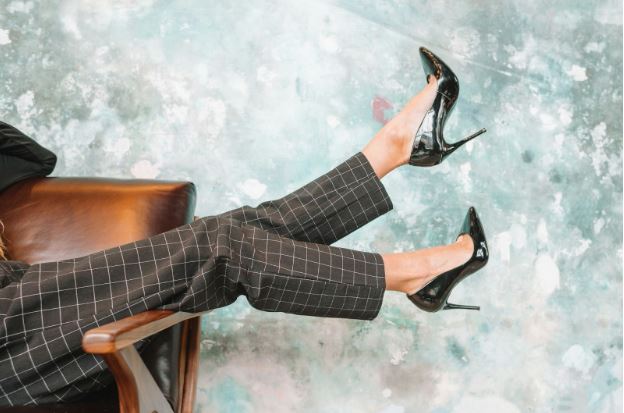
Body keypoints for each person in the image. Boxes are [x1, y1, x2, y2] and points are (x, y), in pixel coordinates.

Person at [0, 46, 489, 407]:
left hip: (15, 294)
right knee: (225, 245)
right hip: (8, 332)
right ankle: (412, 269)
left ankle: (398, 149)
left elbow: (31, 158)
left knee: (236, 232)